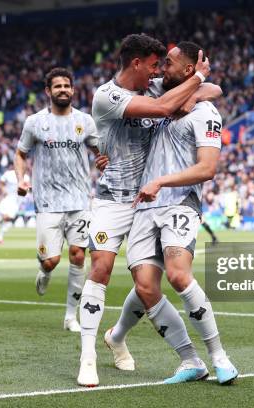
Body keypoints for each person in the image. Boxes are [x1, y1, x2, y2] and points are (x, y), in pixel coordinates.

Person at [77, 33, 216, 387]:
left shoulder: (153, 86)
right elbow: (164, 108)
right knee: (101, 266)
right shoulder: (107, 96)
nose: (158, 73)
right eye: (154, 66)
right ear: (136, 63)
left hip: (147, 202)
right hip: (112, 199)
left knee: (147, 282)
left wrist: (197, 91)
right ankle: (87, 355)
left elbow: (216, 91)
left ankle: (119, 336)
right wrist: (195, 81)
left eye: (162, 67)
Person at [106, 42, 238, 385]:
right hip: (145, 207)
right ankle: (190, 361)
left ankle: (220, 356)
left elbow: (207, 169)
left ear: (188, 71)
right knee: (146, 285)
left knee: (179, 275)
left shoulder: (206, 113)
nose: (162, 69)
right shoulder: (160, 95)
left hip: (179, 202)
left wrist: (162, 180)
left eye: (169, 64)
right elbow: (208, 85)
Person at [15, 67, 101, 333]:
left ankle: (70, 317)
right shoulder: (35, 123)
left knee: (78, 256)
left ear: (73, 90)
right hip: (47, 201)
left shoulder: (85, 121)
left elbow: (100, 153)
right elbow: (21, 154)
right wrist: (21, 180)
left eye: (67, 86)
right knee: (51, 260)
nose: (63, 90)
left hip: (79, 200)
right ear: (48, 91)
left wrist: (105, 163)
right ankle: (45, 271)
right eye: (57, 86)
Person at [0, 164, 27, 244]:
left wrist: (24, 191)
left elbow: (26, 188)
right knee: (7, 218)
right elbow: (1, 181)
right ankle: (0, 237)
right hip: (8, 197)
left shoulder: (25, 176)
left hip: (17, 200)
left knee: (9, 219)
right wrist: (3, 189)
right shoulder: (8, 174)